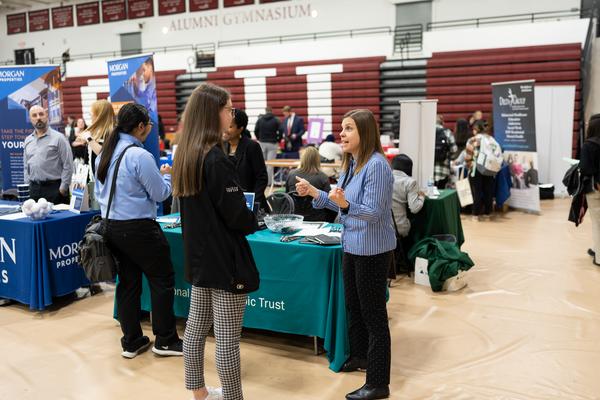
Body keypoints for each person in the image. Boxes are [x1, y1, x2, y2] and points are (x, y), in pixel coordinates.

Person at [296, 109, 394, 400]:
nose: (342, 134)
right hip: (351, 246)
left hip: (372, 251)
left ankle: (378, 383)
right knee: (354, 305)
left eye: (348, 128)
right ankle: (362, 357)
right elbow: (340, 204)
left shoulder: (377, 166)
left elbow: (374, 213)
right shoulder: (352, 165)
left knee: (374, 315)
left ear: (365, 132)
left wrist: (347, 206)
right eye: (342, 128)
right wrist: (314, 192)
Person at [172, 83, 259, 400]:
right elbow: (237, 217)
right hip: (224, 260)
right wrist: (254, 218)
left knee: (196, 326)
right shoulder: (215, 160)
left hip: (200, 257)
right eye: (229, 108)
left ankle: (198, 392)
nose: (232, 113)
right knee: (226, 339)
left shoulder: (187, 154)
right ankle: (233, 397)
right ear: (214, 113)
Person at [94, 103, 182, 359]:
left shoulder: (105, 154)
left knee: (128, 284)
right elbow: (161, 194)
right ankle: (165, 340)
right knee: (162, 280)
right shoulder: (140, 156)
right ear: (141, 126)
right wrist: (166, 176)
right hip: (139, 229)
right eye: (149, 126)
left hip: (111, 226)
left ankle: (131, 341)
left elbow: (100, 193)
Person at [23, 105, 73, 204]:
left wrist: (63, 188)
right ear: (30, 119)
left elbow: (68, 164)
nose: (38, 118)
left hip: (54, 189)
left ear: (46, 116)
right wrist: (28, 185)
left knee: (58, 219)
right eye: (34, 115)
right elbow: (26, 166)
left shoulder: (59, 138)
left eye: (41, 114)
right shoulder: (28, 140)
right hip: (34, 190)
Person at [224, 108, 268, 211]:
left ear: (240, 128)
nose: (225, 130)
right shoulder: (220, 147)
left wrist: (253, 202)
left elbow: (262, 178)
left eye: (230, 126)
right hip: (229, 204)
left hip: (250, 204)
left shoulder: (252, 147)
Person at [286, 147, 333, 222]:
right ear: (318, 160)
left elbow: (287, 196)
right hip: (317, 218)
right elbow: (329, 201)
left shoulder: (291, 174)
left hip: (294, 216)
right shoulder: (323, 177)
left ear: (302, 158)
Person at [391, 154, 424, 253]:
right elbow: (414, 208)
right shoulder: (410, 182)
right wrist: (422, 197)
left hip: (382, 226)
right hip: (399, 228)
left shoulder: (383, 178)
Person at [579, 114, 600, 266]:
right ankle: (596, 249)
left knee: (597, 223)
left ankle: (599, 257)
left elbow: (585, 169)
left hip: (595, 190)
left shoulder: (588, 145)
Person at [465, 120, 496, 221]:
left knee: (476, 191)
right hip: (489, 167)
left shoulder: (472, 140)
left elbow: (468, 157)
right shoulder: (491, 139)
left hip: (476, 168)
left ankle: (476, 215)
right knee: (488, 191)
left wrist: (469, 167)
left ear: (475, 129)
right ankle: (488, 213)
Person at [76, 99, 115, 176]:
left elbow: (104, 154)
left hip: (105, 179)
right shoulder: (96, 131)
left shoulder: (111, 132)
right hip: (93, 177)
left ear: (100, 115)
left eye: (92, 113)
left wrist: (89, 139)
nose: (91, 116)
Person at [254, 106, 281, 185]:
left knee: (262, 163)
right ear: (271, 111)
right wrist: (278, 139)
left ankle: (262, 181)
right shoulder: (276, 120)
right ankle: (269, 182)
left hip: (262, 142)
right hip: (272, 143)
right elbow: (281, 130)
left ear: (265, 111)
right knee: (270, 164)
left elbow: (256, 130)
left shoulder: (260, 120)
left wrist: (259, 138)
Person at [433, 115, 458, 189]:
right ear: (442, 122)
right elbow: (454, 149)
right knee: (441, 191)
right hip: (443, 168)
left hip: (429, 169)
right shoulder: (447, 132)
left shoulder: (427, 131)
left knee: (430, 192)